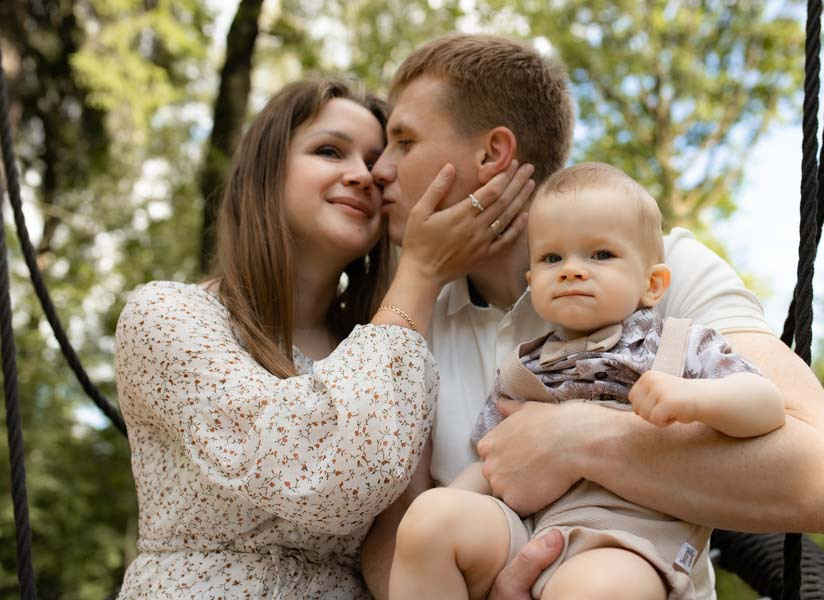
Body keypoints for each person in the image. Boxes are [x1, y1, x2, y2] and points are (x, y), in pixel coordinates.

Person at [361, 33, 824, 600]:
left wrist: (578, 438)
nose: (377, 169)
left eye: (403, 140)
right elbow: (389, 528)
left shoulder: (662, 268)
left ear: (492, 154)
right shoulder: (412, 313)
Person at [113, 78, 534, 598]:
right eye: (330, 151)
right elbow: (323, 473)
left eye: (376, 160)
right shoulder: (170, 317)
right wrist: (421, 272)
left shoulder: (392, 345)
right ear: (264, 173)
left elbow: (405, 527)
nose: (363, 176)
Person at [389, 162, 786, 600]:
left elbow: (765, 402)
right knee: (429, 521)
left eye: (600, 255)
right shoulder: (524, 367)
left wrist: (692, 398)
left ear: (653, 283)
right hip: (529, 531)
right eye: (552, 258)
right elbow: (491, 462)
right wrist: (440, 510)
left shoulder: (677, 345)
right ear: (533, 281)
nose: (571, 270)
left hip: (630, 540)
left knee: (589, 589)